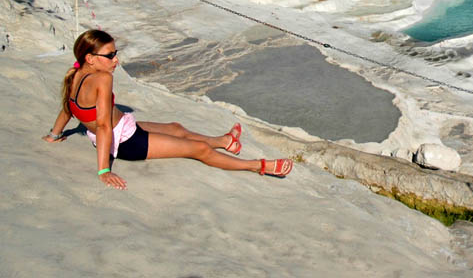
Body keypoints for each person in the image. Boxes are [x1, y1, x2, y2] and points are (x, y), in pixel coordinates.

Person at [44, 30, 292, 190]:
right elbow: (103, 126)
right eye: (110, 55)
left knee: (176, 128)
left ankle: (224, 140)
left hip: (125, 128)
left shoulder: (74, 73)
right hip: (127, 142)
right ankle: (258, 166)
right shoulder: (103, 79)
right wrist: (104, 170)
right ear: (90, 58)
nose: (116, 59)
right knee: (199, 150)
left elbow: (67, 108)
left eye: (116, 53)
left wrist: (55, 134)